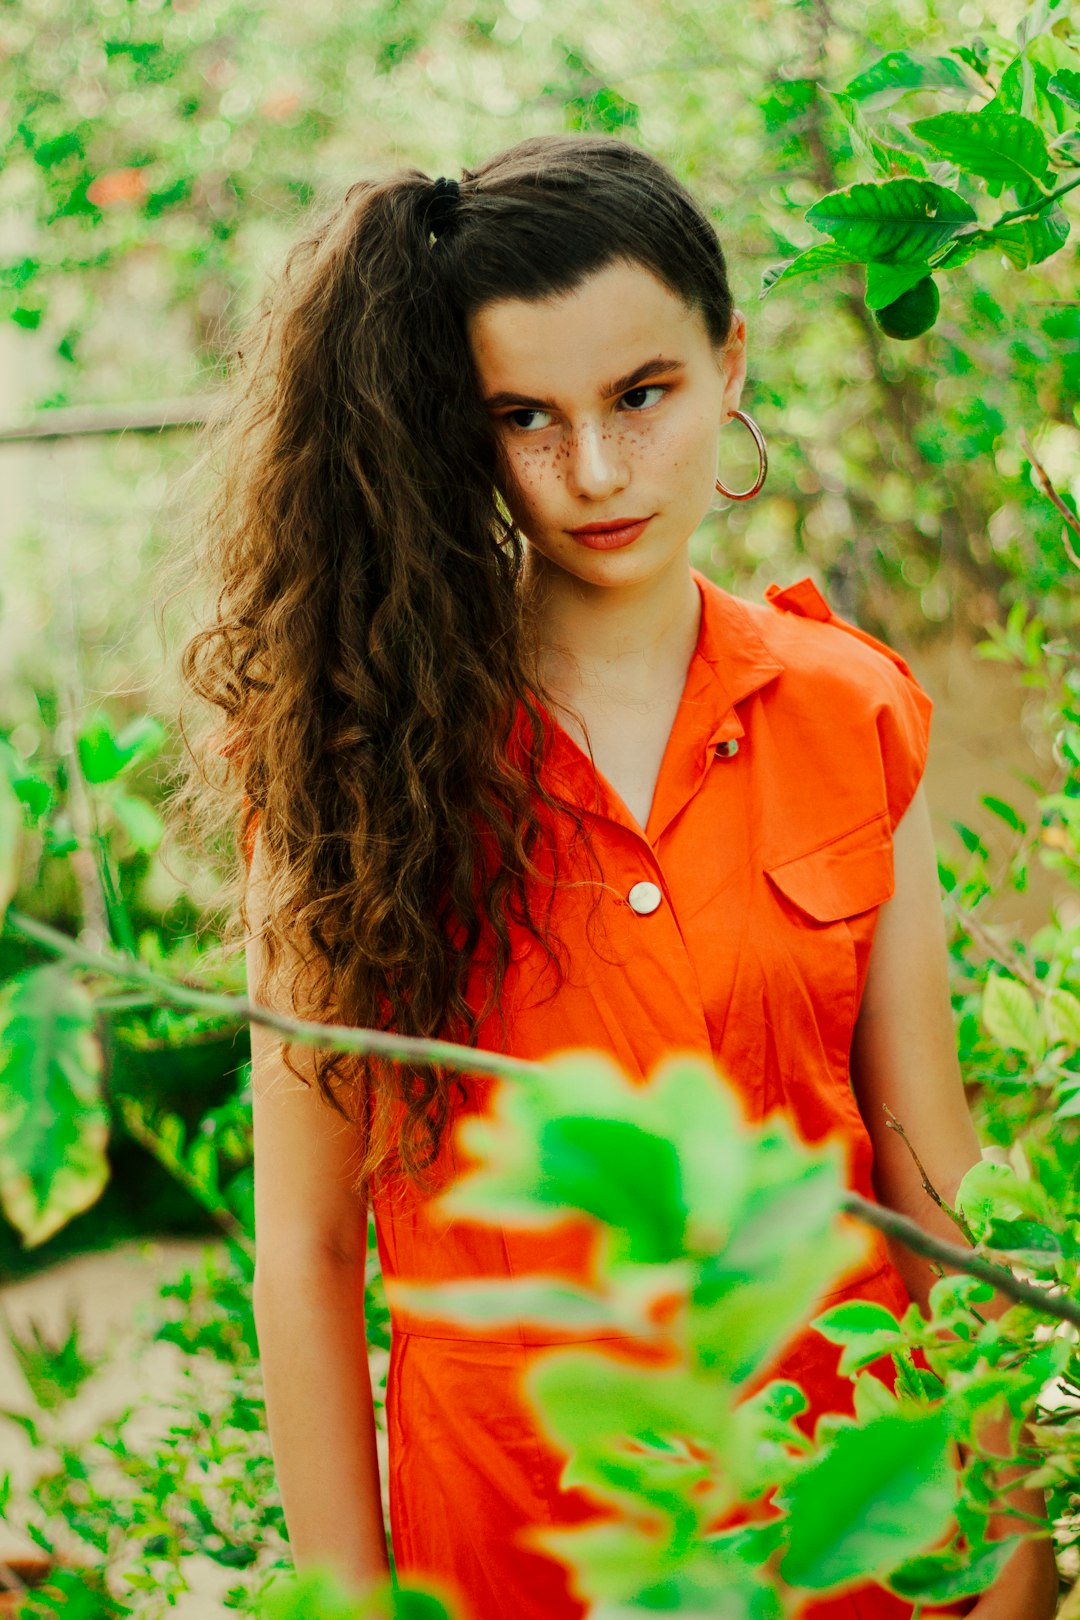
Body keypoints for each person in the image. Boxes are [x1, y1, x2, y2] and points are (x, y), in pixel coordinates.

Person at [180, 134, 1059, 1619]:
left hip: (850, 1524)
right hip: (522, 1550)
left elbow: (927, 1171)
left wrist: (1018, 1533)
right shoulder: (349, 766)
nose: (594, 472)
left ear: (728, 363)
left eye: (639, 397)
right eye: (524, 418)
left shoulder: (853, 713)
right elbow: (312, 1250)